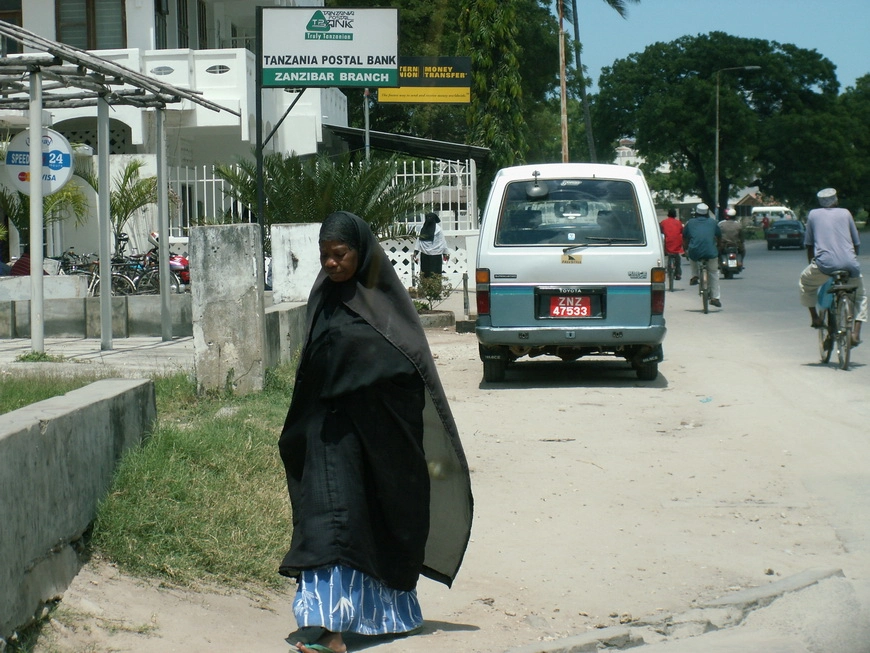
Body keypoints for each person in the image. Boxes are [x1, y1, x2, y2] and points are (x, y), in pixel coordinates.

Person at [279, 211, 473, 653]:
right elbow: (313, 364)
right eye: (324, 256)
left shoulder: (387, 305)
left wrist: (356, 374)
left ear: (360, 252)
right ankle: (326, 628)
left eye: (339, 254)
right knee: (328, 522)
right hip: (330, 439)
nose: (330, 264)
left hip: (380, 441)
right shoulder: (324, 298)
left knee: (373, 524)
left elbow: (408, 367)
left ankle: (384, 616)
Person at [799, 188, 866, 346]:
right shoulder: (846, 213)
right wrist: (850, 260)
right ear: (836, 200)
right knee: (860, 297)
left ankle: (815, 317)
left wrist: (812, 264)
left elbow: (809, 245)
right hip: (849, 264)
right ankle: (855, 333)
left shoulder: (814, 215)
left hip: (825, 265)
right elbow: (856, 243)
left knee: (805, 282)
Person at [683, 203, 723, 307]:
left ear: (696, 213)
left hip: (695, 251)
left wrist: (685, 249)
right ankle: (715, 298)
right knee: (714, 273)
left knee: (692, 257)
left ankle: (695, 275)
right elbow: (719, 236)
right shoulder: (713, 222)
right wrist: (718, 247)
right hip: (711, 252)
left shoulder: (690, 223)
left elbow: (685, 238)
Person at [413, 212, 449, 278]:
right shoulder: (423, 228)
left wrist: (445, 253)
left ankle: (435, 287)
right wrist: (416, 252)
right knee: (425, 273)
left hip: (436, 254)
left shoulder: (438, 230)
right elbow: (419, 240)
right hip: (425, 254)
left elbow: (442, 242)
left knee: (435, 274)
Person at [659, 208, 684, 280]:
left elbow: (660, 231)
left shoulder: (663, 222)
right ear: (675, 215)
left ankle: (667, 269)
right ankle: (678, 273)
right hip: (677, 244)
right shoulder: (679, 223)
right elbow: (682, 232)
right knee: (677, 259)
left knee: (667, 256)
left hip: (667, 243)